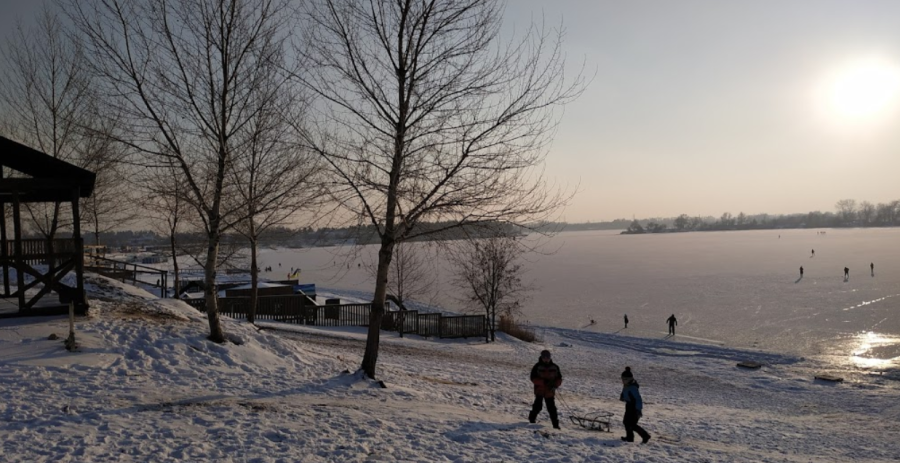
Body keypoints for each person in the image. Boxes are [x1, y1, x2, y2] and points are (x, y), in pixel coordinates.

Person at [528, 349, 562, 429]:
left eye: (548, 357)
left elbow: (559, 378)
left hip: (550, 391)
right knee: (537, 406)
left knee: (552, 409)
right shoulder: (537, 366)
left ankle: (555, 425)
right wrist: (543, 382)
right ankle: (531, 420)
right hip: (539, 390)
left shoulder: (555, 367)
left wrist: (555, 385)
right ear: (542, 357)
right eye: (544, 357)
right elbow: (533, 378)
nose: (546, 359)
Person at [619, 366, 651, 444]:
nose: (623, 381)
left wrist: (638, 410)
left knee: (632, 424)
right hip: (629, 406)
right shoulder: (627, 386)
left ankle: (645, 435)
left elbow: (638, 399)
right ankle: (629, 437)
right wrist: (622, 396)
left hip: (634, 408)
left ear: (629, 379)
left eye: (624, 379)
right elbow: (625, 392)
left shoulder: (633, 388)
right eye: (622, 379)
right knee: (626, 422)